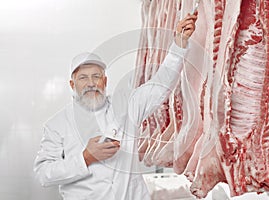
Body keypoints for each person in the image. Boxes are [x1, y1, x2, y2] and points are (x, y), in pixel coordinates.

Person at [34, 12, 198, 200]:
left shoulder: (127, 107)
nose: (90, 83)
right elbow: (43, 174)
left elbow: (160, 85)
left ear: (105, 81)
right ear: (72, 85)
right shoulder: (57, 124)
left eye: (96, 77)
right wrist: (86, 157)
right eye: (83, 78)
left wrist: (178, 46)